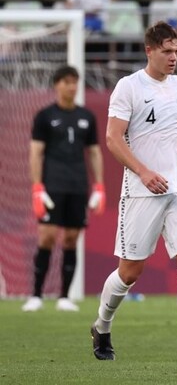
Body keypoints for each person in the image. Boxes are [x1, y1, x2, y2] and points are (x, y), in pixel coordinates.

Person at [90, 22, 177, 362]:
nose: (174, 57)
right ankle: (102, 325)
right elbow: (112, 138)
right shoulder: (128, 87)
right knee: (131, 271)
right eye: (167, 51)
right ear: (149, 50)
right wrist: (144, 172)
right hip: (141, 191)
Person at [22, 66, 105, 313]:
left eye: (75, 82)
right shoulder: (45, 116)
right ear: (57, 84)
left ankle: (64, 297)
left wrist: (98, 186)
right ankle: (36, 295)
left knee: (71, 239)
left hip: (77, 186)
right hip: (52, 185)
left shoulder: (87, 117)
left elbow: (94, 152)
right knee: (46, 236)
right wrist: (37, 187)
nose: (71, 87)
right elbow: (36, 153)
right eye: (67, 82)